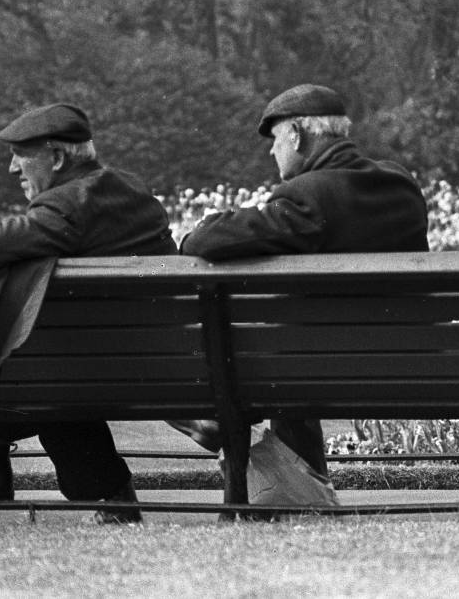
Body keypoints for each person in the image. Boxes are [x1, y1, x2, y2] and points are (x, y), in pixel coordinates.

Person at [0, 103, 176, 524]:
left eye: (21, 154)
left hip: (103, 371)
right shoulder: (132, 189)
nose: (13, 168)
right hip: (160, 356)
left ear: (56, 157)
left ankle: (3, 459)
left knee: (46, 374)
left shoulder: (66, 206)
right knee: (53, 366)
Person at [174, 83, 429, 488]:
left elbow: (210, 242)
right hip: (415, 357)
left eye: (275, 140)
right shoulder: (400, 183)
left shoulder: (309, 195)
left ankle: (301, 489)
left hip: (321, 368)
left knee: (278, 355)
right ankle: (307, 485)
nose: (271, 152)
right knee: (295, 345)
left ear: (296, 133)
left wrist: (199, 229)